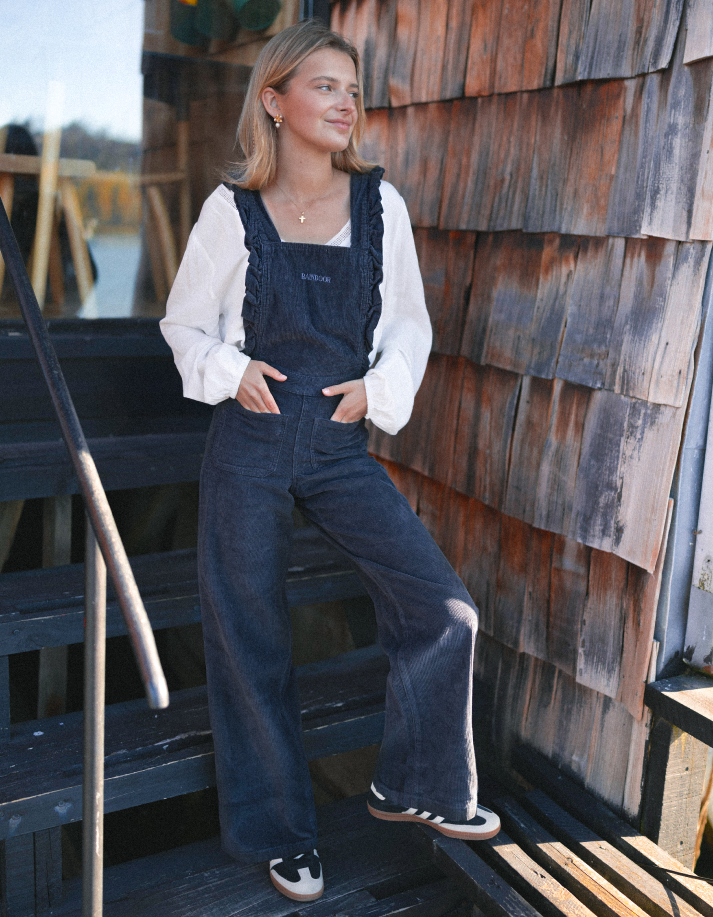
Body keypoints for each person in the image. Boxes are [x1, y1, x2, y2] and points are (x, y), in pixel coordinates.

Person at [160, 19, 500, 904]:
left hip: (339, 442)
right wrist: (229, 371)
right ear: (274, 102)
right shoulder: (230, 211)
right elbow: (182, 324)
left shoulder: (380, 207)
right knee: (250, 637)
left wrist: (377, 390)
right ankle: (280, 833)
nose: (346, 102)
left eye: (352, 89)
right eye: (324, 86)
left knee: (443, 608)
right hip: (249, 441)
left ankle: (415, 782)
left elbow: (409, 326)